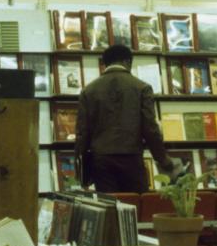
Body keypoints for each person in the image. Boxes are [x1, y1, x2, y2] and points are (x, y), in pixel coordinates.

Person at [75, 44, 179, 192]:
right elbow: (150, 128)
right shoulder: (142, 88)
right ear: (128, 62)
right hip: (131, 158)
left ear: (105, 63)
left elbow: (82, 132)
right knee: (136, 205)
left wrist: (82, 168)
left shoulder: (88, 91)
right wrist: (162, 159)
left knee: (110, 207)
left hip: (101, 160)